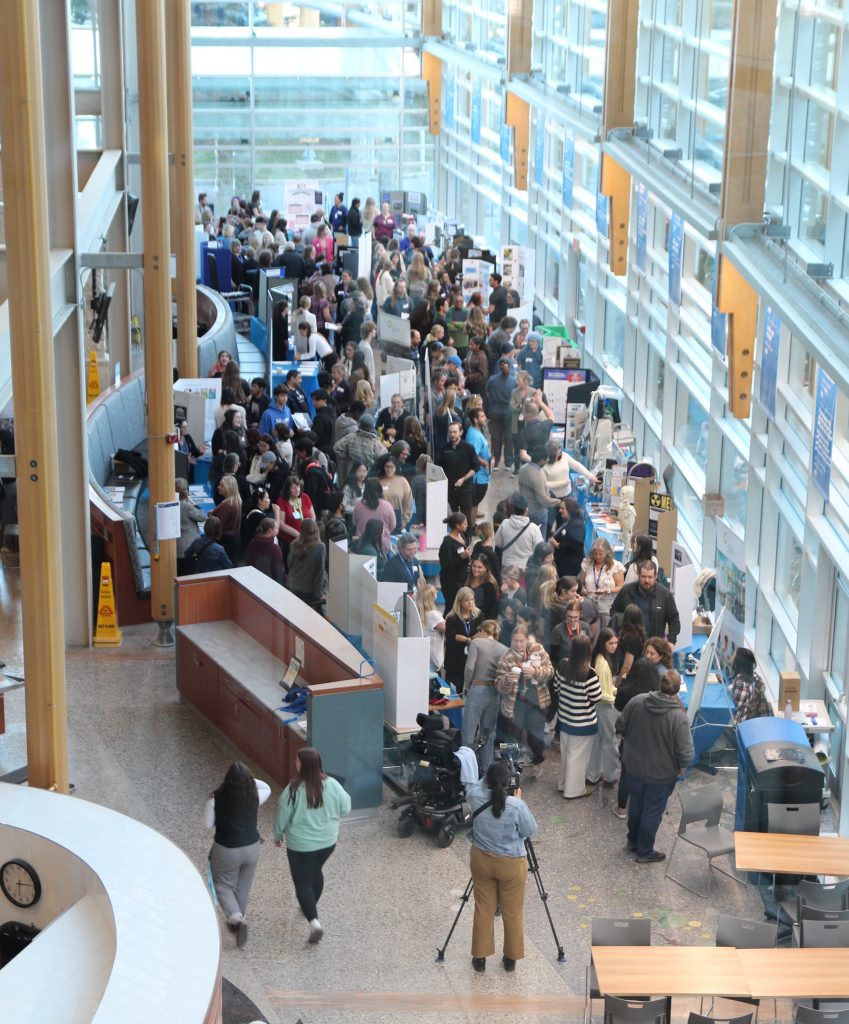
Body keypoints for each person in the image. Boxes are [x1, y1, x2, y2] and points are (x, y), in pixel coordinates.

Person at [273, 747, 351, 943]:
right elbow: (346, 808)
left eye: (297, 761)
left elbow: (282, 815)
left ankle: (314, 922)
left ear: (303, 765)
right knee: (316, 871)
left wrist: (277, 834)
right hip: (328, 842)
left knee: (303, 882)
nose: (294, 763)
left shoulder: (292, 790)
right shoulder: (332, 784)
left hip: (301, 846)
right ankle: (310, 904)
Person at [466, 760, 537, 973]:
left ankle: (479, 958)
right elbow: (530, 830)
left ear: (486, 781)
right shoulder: (516, 805)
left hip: (481, 859)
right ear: (508, 784)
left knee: (483, 908)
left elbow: (477, 786)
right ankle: (510, 959)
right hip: (511, 864)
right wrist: (517, 798)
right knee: (512, 912)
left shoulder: (474, 795)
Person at [615, 670, 694, 862]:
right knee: (652, 811)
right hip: (661, 774)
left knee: (636, 804)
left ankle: (632, 842)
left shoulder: (638, 701)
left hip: (633, 767)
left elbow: (620, 725)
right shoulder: (679, 717)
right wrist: (682, 768)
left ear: (660, 684)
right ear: (676, 691)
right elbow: (686, 752)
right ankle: (644, 851)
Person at [204, 762, 271, 948]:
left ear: (227, 781)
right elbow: (267, 786)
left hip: (227, 848)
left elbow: (208, 825)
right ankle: (239, 919)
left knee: (223, 884)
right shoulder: (255, 796)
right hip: (252, 847)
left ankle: (236, 920)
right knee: (243, 885)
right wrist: (246, 779)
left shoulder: (215, 800)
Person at [495, 626, 553, 778]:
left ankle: (538, 760)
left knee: (536, 737)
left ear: (528, 640)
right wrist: (507, 680)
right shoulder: (506, 658)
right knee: (512, 736)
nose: (518, 644)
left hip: (536, 702)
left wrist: (536, 672)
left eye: (521, 641)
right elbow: (500, 687)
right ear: (511, 641)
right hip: (516, 704)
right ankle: (508, 766)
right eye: (515, 641)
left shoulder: (537, 650)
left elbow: (550, 671)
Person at [612, 657, 661, 819]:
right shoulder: (657, 692)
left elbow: (617, 706)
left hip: (631, 738)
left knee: (626, 773)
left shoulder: (628, 692)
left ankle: (621, 808)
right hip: (652, 740)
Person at [554, 634, 602, 799]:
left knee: (566, 754)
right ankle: (573, 791)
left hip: (565, 719)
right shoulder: (589, 673)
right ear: (588, 651)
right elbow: (597, 697)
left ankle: (562, 784)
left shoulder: (562, 665)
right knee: (578, 759)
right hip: (583, 723)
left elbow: (557, 688)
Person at [462, 620, 507, 771]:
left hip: (477, 688)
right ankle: (488, 769)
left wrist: (467, 685)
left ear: (483, 631)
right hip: (494, 692)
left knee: (469, 730)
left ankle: (467, 768)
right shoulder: (504, 649)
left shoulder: (476, 643)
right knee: (488, 732)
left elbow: (469, 667)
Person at [610, 560, 681, 643]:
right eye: (643, 576)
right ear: (638, 575)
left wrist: (671, 641)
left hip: (654, 646)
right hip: (628, 644)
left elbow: (674, 619)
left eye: (650, 577)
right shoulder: (626, 591)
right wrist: (621, 631)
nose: (646, 580)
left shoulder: (664, 594)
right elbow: (614, 612)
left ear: (655, 576)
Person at [587, 628, 620, 789]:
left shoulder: (599, 659)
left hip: (599, 706)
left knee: (597, 741)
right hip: (605, 706)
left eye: (615, 643)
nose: (614, 646)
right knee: (610, 741)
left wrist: (613, 690)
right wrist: (614, 696)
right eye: (611, 643)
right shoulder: (602, 663)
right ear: (603, 643)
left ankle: (592, 775)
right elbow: (601, 691)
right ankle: (610, 776)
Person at [443, 587, 484, 694]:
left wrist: (465, 639)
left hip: (472, 659)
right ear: (460, 602)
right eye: (467, 600)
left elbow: (482, 636)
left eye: (472, 599)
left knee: (471, 691)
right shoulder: (452, 618)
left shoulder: (478, 615)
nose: (470, 603)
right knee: (452, 692)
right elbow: (451, 641)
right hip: (455, 661)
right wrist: (470, 639)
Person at [441, 421, 478, 531]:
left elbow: (476, 467)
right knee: (452, 517)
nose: (452, 435)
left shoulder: (469, 448)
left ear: (461, 432)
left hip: (465, 488)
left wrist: (463, 479)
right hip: (450, 489)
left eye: (455, 432)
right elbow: (439, 468)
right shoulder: (444, 449)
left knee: (466, 516)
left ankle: (467, 541)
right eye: (450, 432)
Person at [493, 493, 544, 572]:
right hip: (525, 569)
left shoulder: (505, 523)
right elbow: (539, 549)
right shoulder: (533, 528)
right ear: (526, 509)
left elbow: (498, 543)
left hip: (507, 567)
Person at [580, 539, 626, 627]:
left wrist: (608, 590)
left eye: (600, 554)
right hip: (589, 607)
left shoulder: (615, 566)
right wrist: (583, 589)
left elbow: (621, 586)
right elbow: (580, 582)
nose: (597, 556)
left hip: (607, 608)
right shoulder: (587, 563)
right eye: (595, 553)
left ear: (607, 553)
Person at [285, 519, 327, 611]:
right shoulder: (320, 547)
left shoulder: (294, 544)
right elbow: (319, 573)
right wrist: (319, 594)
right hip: (307, 592)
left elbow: (289, 564)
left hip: (292, 587)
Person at [518, 446, 560, 533]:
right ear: (541, 460)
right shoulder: (537, 475)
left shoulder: (523, 468)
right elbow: (542, 500)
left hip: (524, 510)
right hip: (537, 513)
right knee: (539, 539)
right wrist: (558, 502)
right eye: (546, 458)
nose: (548, 460)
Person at [485, 358, 517, 471]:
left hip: (495, 411)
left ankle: (495, 462)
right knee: (508, 438)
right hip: (508, 412)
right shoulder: (513, 381)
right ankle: (508, 463)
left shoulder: (492, 379)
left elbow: (487, 393)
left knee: (495, 438)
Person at [438, 512, 472, 613]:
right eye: (465, 523)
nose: (467, 525)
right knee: (451, 607)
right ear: (458, 525)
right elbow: (446, 564)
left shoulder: (461, 535)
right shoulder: (447, 543)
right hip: (452, 582)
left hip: (462, 578)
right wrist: (462, 557)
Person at [352, 477, 396, 555]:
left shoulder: (358, 505)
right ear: (380, 489)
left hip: (362, 546)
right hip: (382, 547)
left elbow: (355, 523)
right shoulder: (387, 505)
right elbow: (392, 526)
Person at [729, 647, 773, 723]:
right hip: (750, 719)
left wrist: (732, 690)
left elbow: (735, 707)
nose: (732, 657)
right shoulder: (756, 677)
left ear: (739, 662)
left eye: (734, 655)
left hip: (739, 722)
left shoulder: (741, 684)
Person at [549, 497, 586, 579]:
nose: (560, 510)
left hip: (570, 567)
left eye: (562, 508)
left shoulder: (577, 525)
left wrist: (557, 545)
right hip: (563, 564)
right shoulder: (568, 520)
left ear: (570, 509)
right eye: (560, 508)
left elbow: (576, 546)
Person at [176, 476, 206, 576]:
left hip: (177, 547)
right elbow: (202, 517)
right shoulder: (187, 506)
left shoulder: (173, 503)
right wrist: (195, 504)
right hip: (188, 547)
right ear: (184, 491)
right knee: (190, 574)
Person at [245, 517, 286, 584]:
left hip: (253, 578)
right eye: (276, 528)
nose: (277, 530)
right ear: (270, 530)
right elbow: (278, 569)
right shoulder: (274, 548)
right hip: (269, 582)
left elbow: (248, 559)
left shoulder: (253, 542)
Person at [416, 584, 445, 672]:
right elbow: (449, 630)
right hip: (434, 658)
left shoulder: (418, 611)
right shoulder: (434, 615)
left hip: (423, 656)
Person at [616, 604, 647, 682]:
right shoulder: (640, 635)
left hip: (631, 677)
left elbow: (627, 665)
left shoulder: (631, 639)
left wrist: (618, 682)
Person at [466, 554, 499, 620]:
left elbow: (490, 609)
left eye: (479, 567)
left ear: (485, 568)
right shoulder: (468, 579)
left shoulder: (489, 584)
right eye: (474, 566)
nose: (476, 569)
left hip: (482, 620)